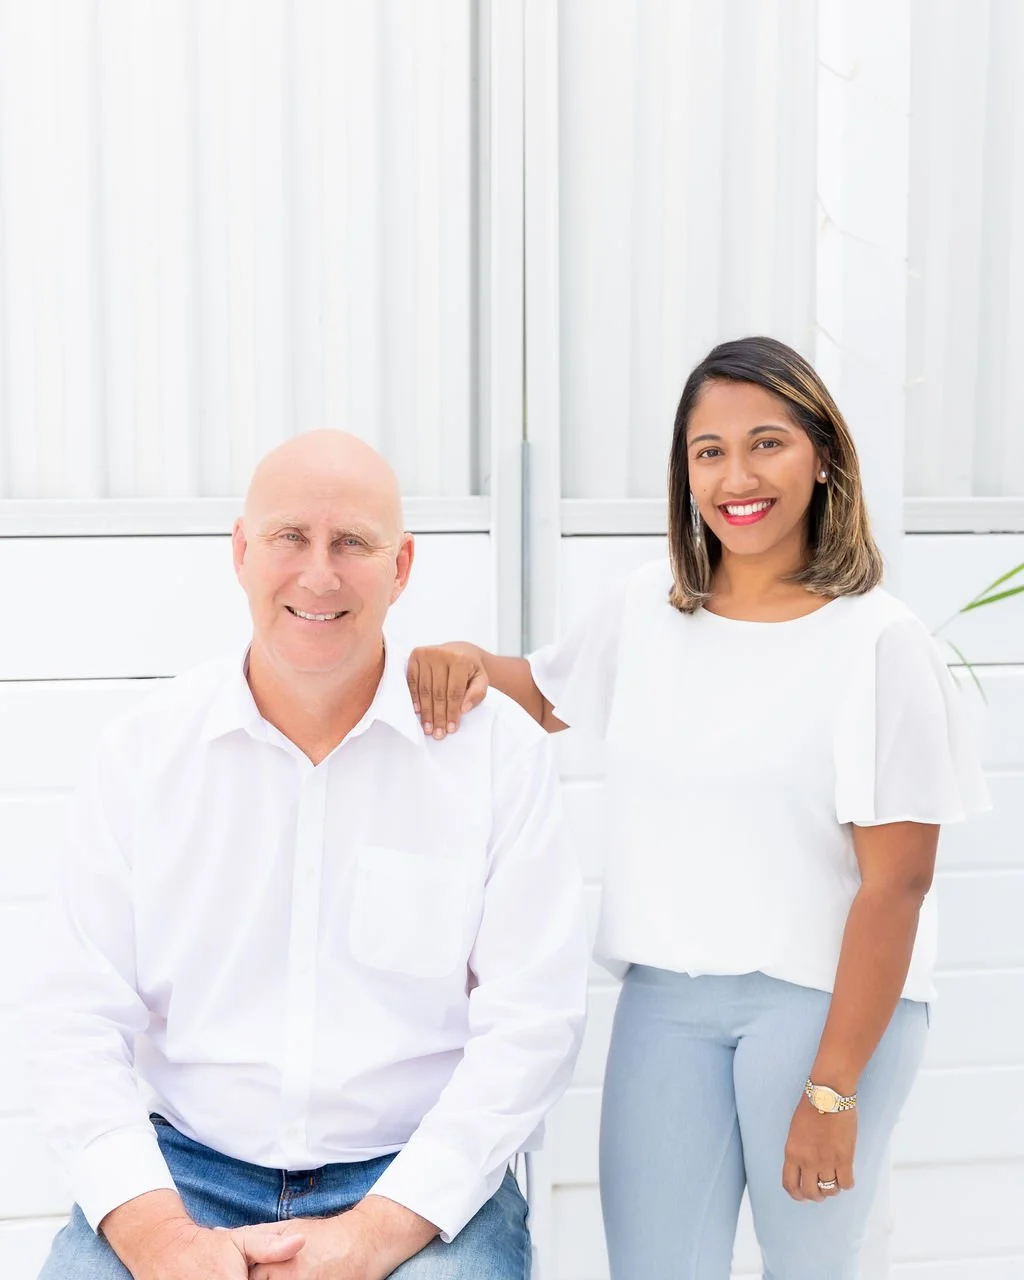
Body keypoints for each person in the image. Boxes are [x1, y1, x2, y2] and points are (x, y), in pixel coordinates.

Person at [405, 337, 989, 1280]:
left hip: (823, 1007)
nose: (737, 476)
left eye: (768, 443)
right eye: (708, 451)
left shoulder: (881, 645)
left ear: (824, 456)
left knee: (808, 1268)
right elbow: (543, 695)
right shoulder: (649, 607)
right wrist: (462, 659)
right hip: (666, 1003)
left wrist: (832, 1095)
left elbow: (897, 887)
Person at [29, 430, 588, 1280]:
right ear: (241, 553)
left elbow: (532, 1025)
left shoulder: (494, 755)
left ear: (401, 568)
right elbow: (75, 1018)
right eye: (290, 537)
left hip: (414, 1179)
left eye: (352, 543)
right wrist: (164, 1242)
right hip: (186, 1173)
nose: (319, 574)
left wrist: (373, 1236)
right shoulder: (145, 753)